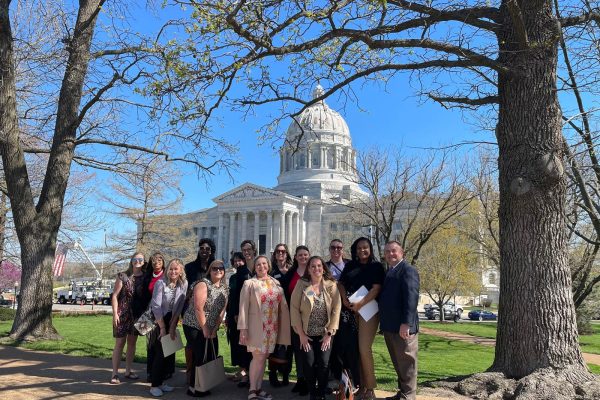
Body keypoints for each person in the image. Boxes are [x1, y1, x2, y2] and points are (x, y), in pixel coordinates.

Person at [338, 237, 386, 400]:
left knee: (364, 348)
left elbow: (376, 289)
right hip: (352, 310)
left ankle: (371, 388)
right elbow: (341, 284)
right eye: (359, 248)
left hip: (369, 311)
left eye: (365, 247)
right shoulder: (350, 265)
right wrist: (344, 299)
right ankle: (362, 386)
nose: (362, 250)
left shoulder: (376, 266)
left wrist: (361, 304)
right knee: (356, 349)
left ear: (370, 248)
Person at [238, 256, 291, 400]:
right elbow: (243, 307)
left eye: (264, 264)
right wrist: (243, 328)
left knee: (263, 358)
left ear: (268, 265)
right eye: (258, 264)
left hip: (271, 327)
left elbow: (282, 306)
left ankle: (259, 388)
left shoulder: (275, 282)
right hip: (256, 326)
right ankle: (252, 390)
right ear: (254, 267)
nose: (261, 266)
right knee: (257, 357)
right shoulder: (249, 283)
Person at [290, 256, 341, 400]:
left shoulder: (331, 285)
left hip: (325, 334)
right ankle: (313, 392)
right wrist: (301, 334)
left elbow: (336, 309)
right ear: (308, 269)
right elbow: (294, 308)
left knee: (324, 364)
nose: (316, 269)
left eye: (319, 266)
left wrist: (329, 334)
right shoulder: (302, 284)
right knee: (309, 364)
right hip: (306, 334)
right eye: (313, 266)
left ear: (323, 268)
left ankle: (322, 390)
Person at [380, 241, 420, 400]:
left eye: (394, 251)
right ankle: (403, 393)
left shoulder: (408, 270)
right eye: (387, 251)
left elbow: (411, 298)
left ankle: (408, 396)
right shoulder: (390, 272)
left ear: (401, 252)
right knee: (398, 363)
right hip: (391, 327)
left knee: (407, 363)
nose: (390, 254)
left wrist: (406, 323)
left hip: (403, 327)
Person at [182, 259, 228, 397]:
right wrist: (205, 328)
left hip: (211, 326)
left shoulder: (225, 288)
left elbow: (221, 312)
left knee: (209, 355)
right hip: (194, 324)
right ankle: (193, 388)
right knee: (200, 355)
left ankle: (203, 383)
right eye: (214, 268)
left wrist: (214, 329)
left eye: (221, 268)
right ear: (210, 270)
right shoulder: (203, 284)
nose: (218, 270)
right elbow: (198, 308)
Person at [149, 259, 188, 397]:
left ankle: (161, 382)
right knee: (160, 353)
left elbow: (180, 306)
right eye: (171, 269)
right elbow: (156, 306)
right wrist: (163, 328)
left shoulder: (183, 284)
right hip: (159, 319)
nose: (173, 272)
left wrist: (172, 326)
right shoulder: (161, 283)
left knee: (169, 352)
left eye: (176, 269)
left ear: (181, 271)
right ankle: (154, 385)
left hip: (172, 318)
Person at [110, 251, 147, 384]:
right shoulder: (123, 276)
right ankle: (114, 373)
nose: (138, 261)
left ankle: (128, 370)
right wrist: (115, 313)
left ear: (144, 261)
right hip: (122, 314)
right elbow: (114, 295)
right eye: (135, 259)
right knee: (120, 343)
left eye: (140, 259)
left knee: (132, 343)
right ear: (132, 261)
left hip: (137, 315)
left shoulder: (145, 277)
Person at [184, 239, 216, 387]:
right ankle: (192, 381)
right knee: (194, 348)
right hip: (192, 315)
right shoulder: (190, 267)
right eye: (202, 248)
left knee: (207, 350)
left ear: (212, 251)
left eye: (207, 248)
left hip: (209, 315)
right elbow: (184, 290)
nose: (204, 250)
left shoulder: (215, 268)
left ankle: (204, 381)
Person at [280, 245, 310, 395]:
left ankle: (310, 380)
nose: (303, 257)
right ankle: (300, 379)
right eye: (300, 255)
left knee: (309, 350)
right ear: (296, 257)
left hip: (311, 318)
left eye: (305, 255)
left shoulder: (314, 271)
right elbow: (284, 292)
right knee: (298, 349)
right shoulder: (291, 274)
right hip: (294, 317)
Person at [268, 243, 294, 387]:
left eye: (283, 251)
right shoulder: (271, 270)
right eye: (278, 251)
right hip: (274, 311)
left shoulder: (292, 270)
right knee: (274, 343)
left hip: (291, 310)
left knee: (288, 344)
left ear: (287, 253)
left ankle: (285, 374)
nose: (280, 253)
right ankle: (272, 373)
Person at [227, 251, 253, 387]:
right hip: (232, 316)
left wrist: (238, 314)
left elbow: (242, 298)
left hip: (242, 316)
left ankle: (246, 377)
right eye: (235, 261)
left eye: (240, 260)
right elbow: (231, 297)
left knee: (244, 347)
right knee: (237, 347)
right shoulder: (232, 277)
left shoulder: (246, 274)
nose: (237, 263)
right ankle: (242, 373)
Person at [325, 239, 350, 382]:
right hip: (330, 310)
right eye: (333, 247)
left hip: (348, 309)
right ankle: (332, 376)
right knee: (331, 344)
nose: (336, 250)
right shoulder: (325, 266)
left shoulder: (349, 265)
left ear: (343, 249)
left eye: (339, 247)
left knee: (346, 344)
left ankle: (347, 377)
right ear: (329, 249)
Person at [143, 251, 168, 382]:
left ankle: (164, 373)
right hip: (150, 313)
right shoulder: (148, 277)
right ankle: (150, 372)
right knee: (151, 343)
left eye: (159, 260)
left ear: (163, 262)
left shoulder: (167, 276)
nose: (156, 263)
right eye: (153, 261)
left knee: (165, 344)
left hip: (164, 313)